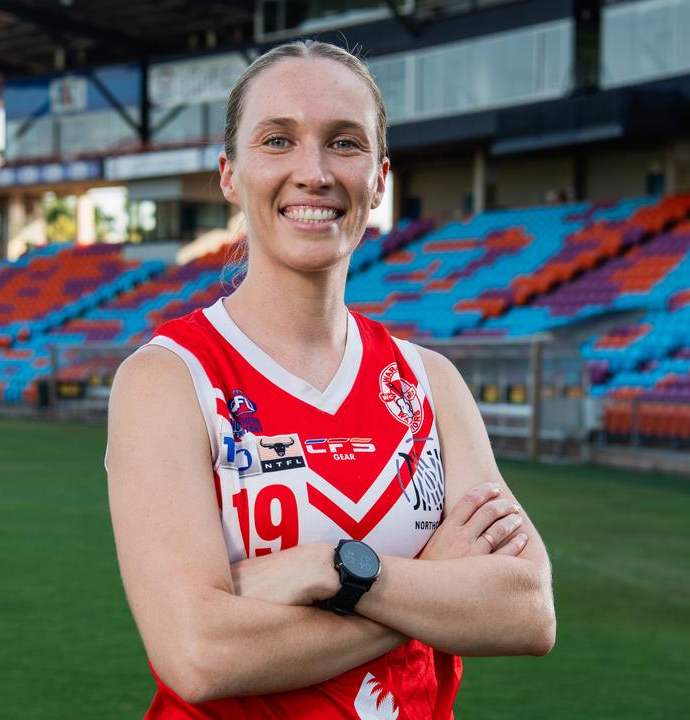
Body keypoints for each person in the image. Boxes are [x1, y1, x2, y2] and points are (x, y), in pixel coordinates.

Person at [106, 39, 555, 719]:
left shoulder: (429, 382)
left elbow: (526, 610)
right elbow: (197, 654)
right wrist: (433, 589)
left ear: (379, 178)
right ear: (230, 174)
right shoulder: (168, 379)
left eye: (344, 144)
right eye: (278, 140)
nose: (312, 172)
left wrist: (332, 570)